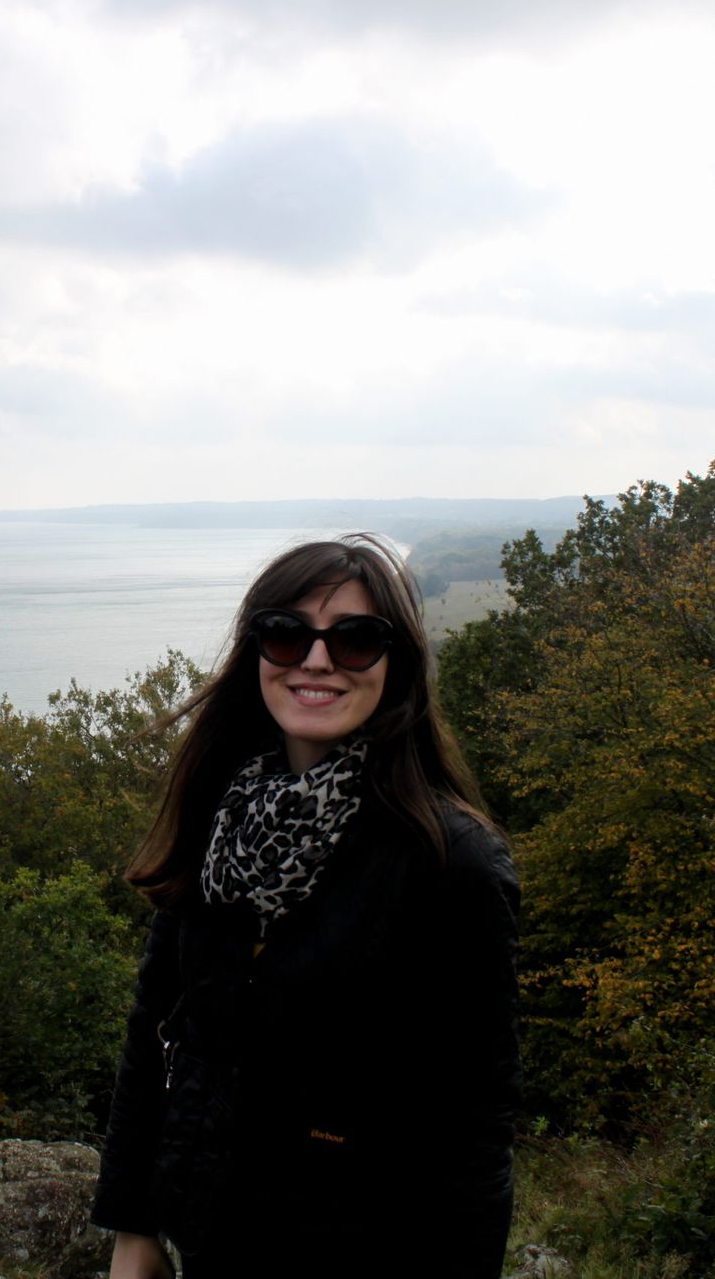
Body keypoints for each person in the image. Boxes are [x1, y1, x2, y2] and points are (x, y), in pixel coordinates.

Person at [91, 535, 521, 1277]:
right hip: (215, 1238)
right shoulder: (220, 826)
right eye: (287, 634)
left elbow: (476, 1125)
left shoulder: (450, 865)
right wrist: (132, 1224)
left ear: (398, 665)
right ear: (256, 651)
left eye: (356, 640)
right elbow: (157, 1030)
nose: (316, 661)